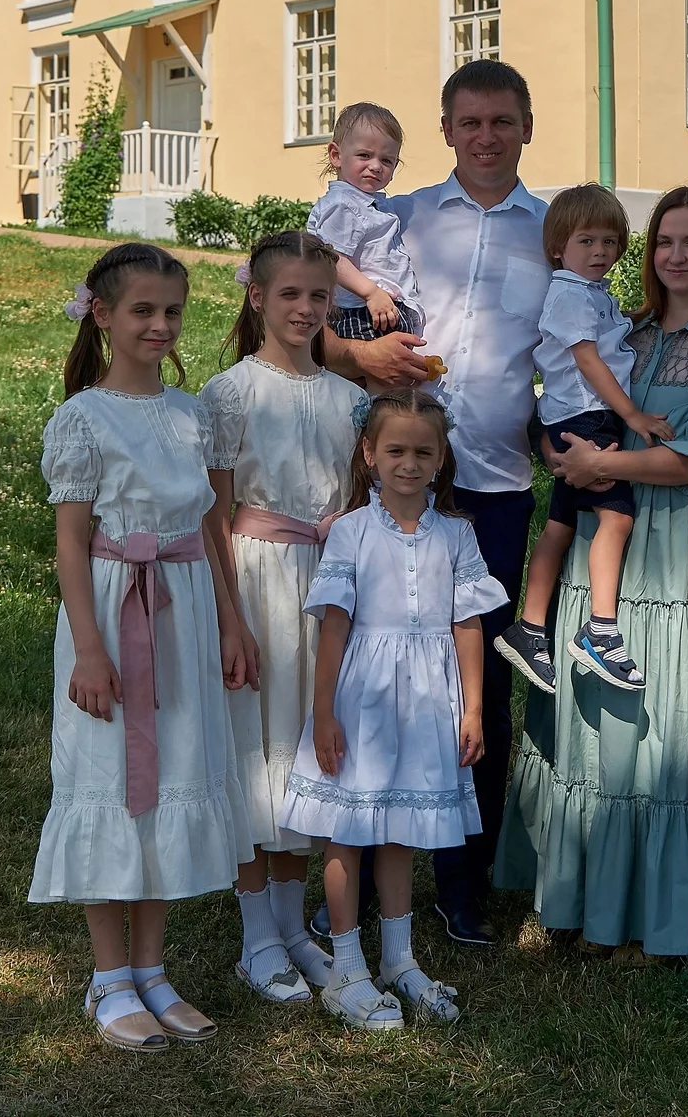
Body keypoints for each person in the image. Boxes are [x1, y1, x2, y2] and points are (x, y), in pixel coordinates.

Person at [496, 185, 688, 957]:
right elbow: (564, 402)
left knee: (666, 727)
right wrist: (557, 447)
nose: (675, 255)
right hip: (599, 547)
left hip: (678, 553)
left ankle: (667, 912)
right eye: (664, 242)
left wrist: (601, 459)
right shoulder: (620, 328)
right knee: (597, 726)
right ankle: (586, 902)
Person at [323, 59, 547, 946]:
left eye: (502, 120)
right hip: (389, 478)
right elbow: (306, 319)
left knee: (473, 688)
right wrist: (360, 361)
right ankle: (358, 876)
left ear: (526, 125)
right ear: (447, 129)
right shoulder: (393, 214)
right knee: (371, 679)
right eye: (469, 121)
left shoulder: (551, 229)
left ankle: (463, 879)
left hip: (492, 485)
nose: (486, 135)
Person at [33, 242, 250, 1052]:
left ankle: (153, 969)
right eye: (142, 311)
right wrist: (90, 649)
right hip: (115, 614)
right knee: (110, 777)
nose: (160, 325)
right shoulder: (84, 419)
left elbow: (207, 525)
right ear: (103, 314)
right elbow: (69, 543)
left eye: (172, 312)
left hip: (185, 611)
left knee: (174, 773)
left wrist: (230, 619)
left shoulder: (193, 413)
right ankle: (107, 975)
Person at [281, 389, 504, 1030]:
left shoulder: (458, 534)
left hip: (431, 703)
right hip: (362, 703)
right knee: (347, 830)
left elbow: (468, 625)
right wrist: (324, 712)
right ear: (370, 453)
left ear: (441, 458)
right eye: (396, 450)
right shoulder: (350, 532)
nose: (409, 463)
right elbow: (334, 626)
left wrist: (473, 709)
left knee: (403, 829)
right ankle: (346, 967)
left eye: (423, 452)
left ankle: (399, 960)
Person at [198, 230, 363, 1004]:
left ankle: (295, 924)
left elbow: (355, 509)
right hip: (254, 580)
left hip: (320, 585)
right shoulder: (230, 392)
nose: (304, 307)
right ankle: (255, 933)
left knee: (302, 750)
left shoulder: (348, 398)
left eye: (318, 296)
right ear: (257, 297)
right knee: (250, 745)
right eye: (288, 293)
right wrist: (229, 617)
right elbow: (212, 512)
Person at [498, 184, 670, 697]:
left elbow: (608, 341)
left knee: (561, 524)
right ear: (558, 249)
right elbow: (589, 361)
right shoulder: (570, 294)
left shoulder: (587, 293)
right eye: (587, 241)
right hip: (589, 416)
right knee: (616, 519)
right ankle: (600, 629)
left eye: (610, 242)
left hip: (569, 417)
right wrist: (633, 415)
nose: (600, 252)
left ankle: (528, 628)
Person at [308, 103, 423, 341]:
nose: (376, 166)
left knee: (393, 372)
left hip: (379, 308)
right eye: (364, 155)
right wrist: (371, 293)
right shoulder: (343, 204)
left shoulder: (368, 203)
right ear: (336, 155)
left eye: (387, 160)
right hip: (361, 312)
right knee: (378, 372)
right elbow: (330, 258)